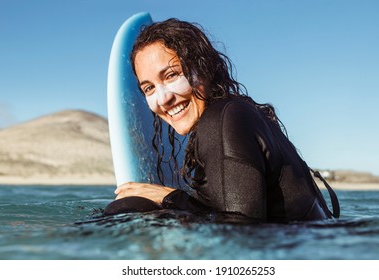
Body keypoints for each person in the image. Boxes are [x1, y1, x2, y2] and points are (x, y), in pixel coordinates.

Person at [104, 18, 340, 223]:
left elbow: (239, 231)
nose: (163, 99)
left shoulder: (222, 119)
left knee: (129, 207)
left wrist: (168, 198)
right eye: (149, 88)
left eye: (172, 75)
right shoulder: (236, 113)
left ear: (203, 69)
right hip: (310, 245)